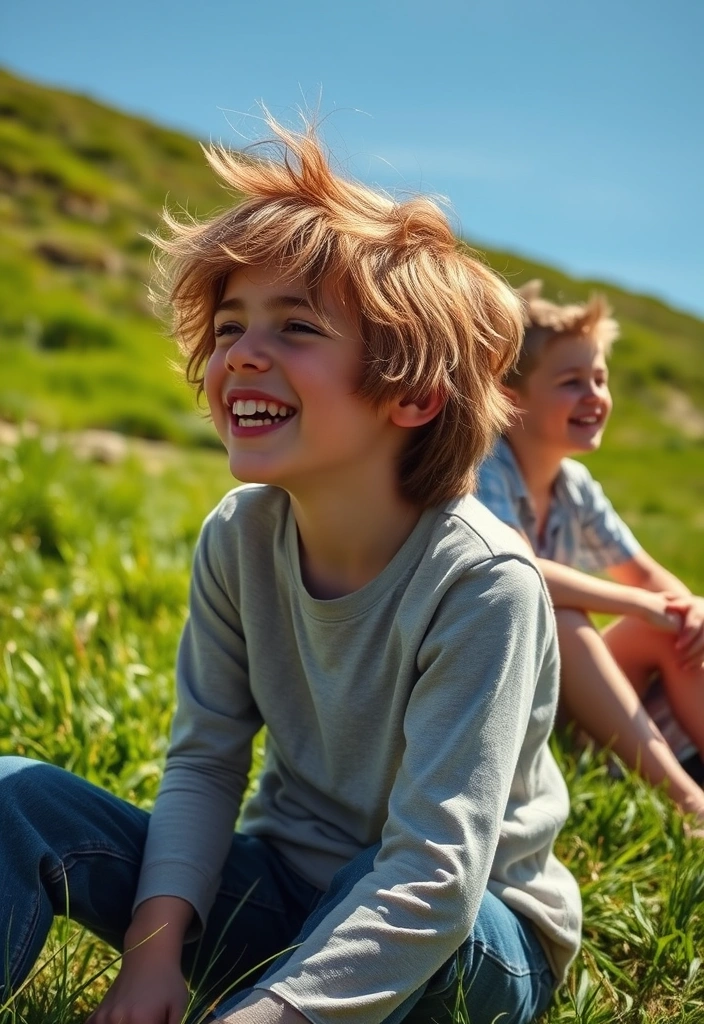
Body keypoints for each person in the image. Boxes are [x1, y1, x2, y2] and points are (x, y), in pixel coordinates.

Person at [0, 122, 581, 1024]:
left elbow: (434, 878)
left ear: (414, 395)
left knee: (381, 874)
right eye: (230, 327)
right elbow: (203, 761)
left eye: (296, 328)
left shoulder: (484, 583)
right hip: (283, 893)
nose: (240, 354)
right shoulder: (240, 535)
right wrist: (155, 956)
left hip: (470, 940)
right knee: (16, 793)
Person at [476, 280, 704, 831]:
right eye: (571, 382)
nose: (595, 396)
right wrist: (640, 601)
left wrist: (688, 607)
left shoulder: (574, 485)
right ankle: (690, 808)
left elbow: (647, 575)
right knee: (557, 612)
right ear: (512, 397)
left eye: (599, 380)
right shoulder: (486, 465)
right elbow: (518, 568)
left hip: (567, 698)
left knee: (672, 622)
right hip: (497, 696)